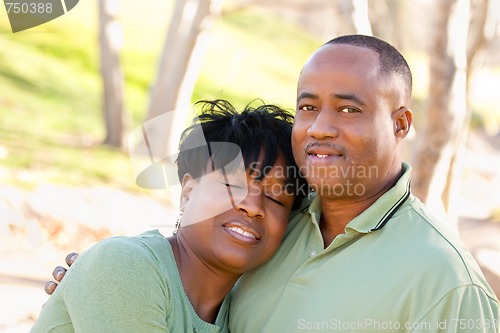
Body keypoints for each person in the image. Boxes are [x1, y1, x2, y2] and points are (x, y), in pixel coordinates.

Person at [44, 35, 500, 333]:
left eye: (348, 109)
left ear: (401, 124)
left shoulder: (447, 284)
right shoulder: (285, 226)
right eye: (307, 107)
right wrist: (106, 276)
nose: (320, 127)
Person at [31, 99, 307, 333]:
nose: (253, 206)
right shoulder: (126, 265)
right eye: (232, 185)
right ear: (187, 192)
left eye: (275, 198)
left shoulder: (244, 315)